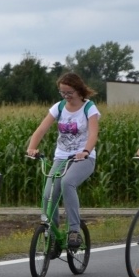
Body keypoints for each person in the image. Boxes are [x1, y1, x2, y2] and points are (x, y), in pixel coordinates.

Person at [26, 72, 99, 250]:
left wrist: (86, 151)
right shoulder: (58, 107)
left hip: (83, 158)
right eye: (62, 93)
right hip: (61, 157)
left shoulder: (89, 108)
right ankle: (52, 234)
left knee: (68, 182)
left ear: (78, 90)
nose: (66, 96)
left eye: (69, 93)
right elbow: (41, 130)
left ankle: (74, 230)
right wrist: (32, 148)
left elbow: (93, 134)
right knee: (48, 194)